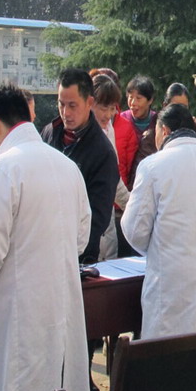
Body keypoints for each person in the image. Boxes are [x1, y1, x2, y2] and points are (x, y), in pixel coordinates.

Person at [0, 84, 91, 391]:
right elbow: (81, 237)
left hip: (19, 313)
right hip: (60, 304)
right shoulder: (66, 166)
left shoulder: (2, 168)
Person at [121, 104, 196, 339]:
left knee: (168, 356)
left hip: (170, 292)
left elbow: (134, 231)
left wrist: (161, 247)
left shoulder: (152, 167)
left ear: (164, 131)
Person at [41, 68, 119, 263]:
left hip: (78, 256)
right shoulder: (49, 133)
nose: (66, 113)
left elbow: (98, 218)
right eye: (61, 104)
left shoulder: (103, 153)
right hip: (42, 247)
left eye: (72, 105)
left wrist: (67, 245)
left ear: (89, 103)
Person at [91, 74, 130, 261]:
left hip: (107, 222)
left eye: (112, 108)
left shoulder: (109, 129)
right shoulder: (78, 135)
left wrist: (131, 205)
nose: (108, 115)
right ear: (89, 104)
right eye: (103, 108)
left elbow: (112, 178)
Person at [120, 75, 156, 189]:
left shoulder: (158, 123)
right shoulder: (121, 120)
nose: (133, 103)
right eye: (130, 97)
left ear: (150, 100)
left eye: (138, 98)